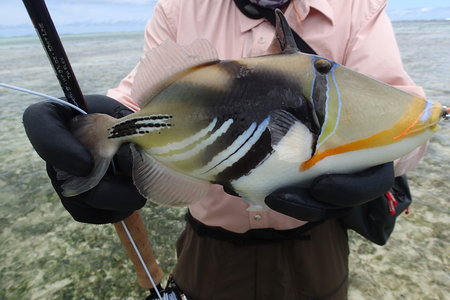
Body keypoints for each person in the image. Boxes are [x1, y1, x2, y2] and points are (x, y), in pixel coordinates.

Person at [23, 0, 428, 299]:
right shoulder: (180, 7)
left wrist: (387, 159)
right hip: (209, 244)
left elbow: (402, 109)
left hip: (315, 244)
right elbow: (139, 99)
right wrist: (88, 132)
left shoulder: (355, 9)